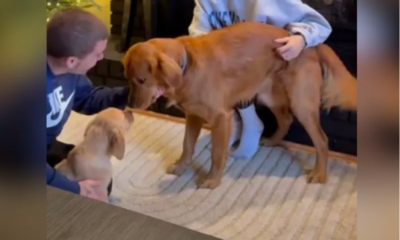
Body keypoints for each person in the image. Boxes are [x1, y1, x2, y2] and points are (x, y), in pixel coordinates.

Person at [188, 0, 332, 160]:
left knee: (304, 111)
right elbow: (196, 36)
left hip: (280, 59)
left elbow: (320, 24)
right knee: (214, 71)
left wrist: (301, 39)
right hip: (234, 62)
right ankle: (237, 122)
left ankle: (250, 124)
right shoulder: (206, 2)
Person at [46, 8, 130, 202]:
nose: (102, 58)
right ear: (72, 61)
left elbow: (88, 98)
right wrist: (74, 189)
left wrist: (131, 94)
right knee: (77, 196)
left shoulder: (69, 71)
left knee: (98, 179)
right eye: (98, 53)